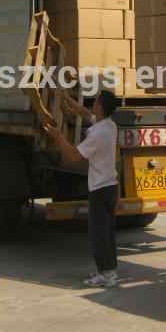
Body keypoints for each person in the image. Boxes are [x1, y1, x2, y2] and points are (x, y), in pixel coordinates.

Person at [44, 90, 121, 287]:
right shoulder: (109, 125)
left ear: (100, 107)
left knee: (99, 234)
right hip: (110, 186)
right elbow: (87, 115)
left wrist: (58, 137)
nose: (92, 104)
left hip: (100, 189)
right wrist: (68, 100)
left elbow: (73, 157)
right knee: (107, 232)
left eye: (95, 101)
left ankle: (106, 275)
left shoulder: (98, 133)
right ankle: (109, 270)